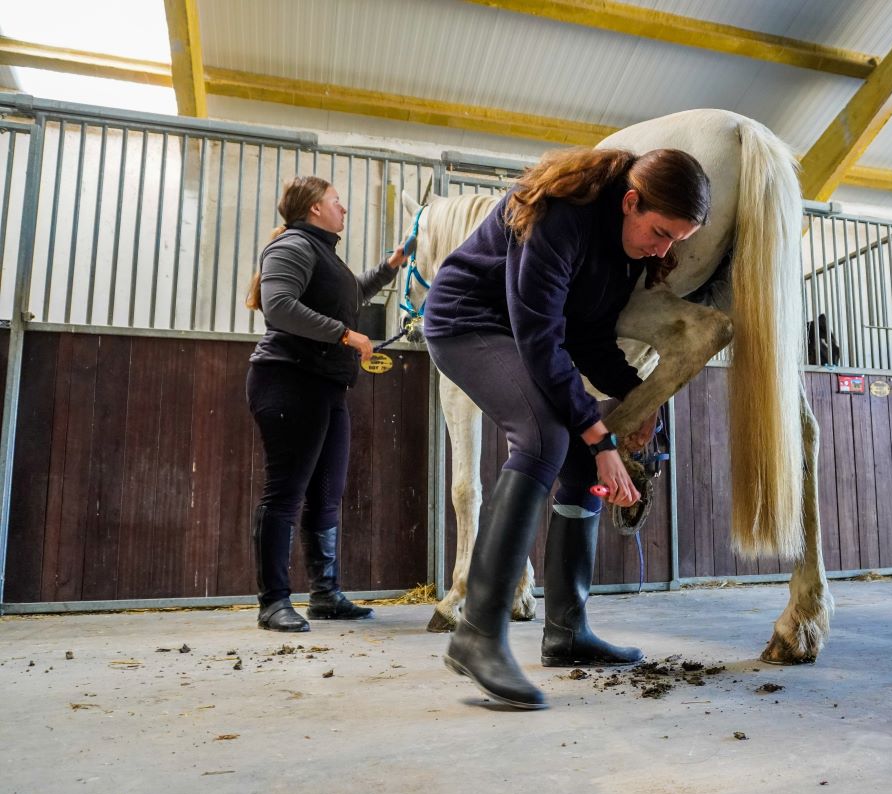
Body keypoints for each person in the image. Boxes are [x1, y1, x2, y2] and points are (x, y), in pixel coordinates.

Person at [422, 147, 711, 709]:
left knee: (580, 463)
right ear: (631, 201)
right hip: (468, 321)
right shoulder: (562, 214)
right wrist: (599, 436)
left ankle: (567, 631)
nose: (664, 248)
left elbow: (589, 339)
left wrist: (636, 398)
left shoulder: (626, 246)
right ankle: (476, 634)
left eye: (676, 239)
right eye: (660, 231)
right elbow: (539, 337)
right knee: (545, 437)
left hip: (523, 332)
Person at [244, 175, 413, 632]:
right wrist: (345, 333)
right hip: (289, 380)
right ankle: (273, 602)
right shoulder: (293, 246)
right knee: (285, 493)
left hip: (326, 385)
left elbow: (351, 294)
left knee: (325, 492)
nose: (345, 209)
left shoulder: (323, 253)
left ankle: (325, 594)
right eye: (337, 201)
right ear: (315, 208)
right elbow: (278, 305)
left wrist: (392, 265)